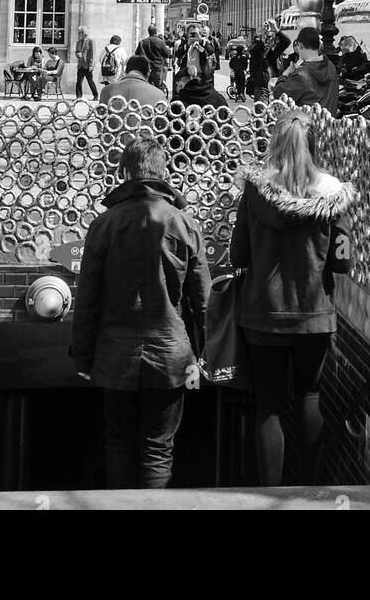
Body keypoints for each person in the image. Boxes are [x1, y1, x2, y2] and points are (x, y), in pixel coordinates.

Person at [71, 136, 211, 489]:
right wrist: (207, 355)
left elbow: (87, 298)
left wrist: (84, 357)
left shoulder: (104, 224)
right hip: (171, 352)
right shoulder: (183, 223)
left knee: (118, 441)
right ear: (162, 172)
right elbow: (203, 299)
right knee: (159, 447)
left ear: (126, 171)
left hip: (114, 351)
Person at [230, 108, 354, 486]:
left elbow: (238, 255)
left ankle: (272, 493)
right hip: (314, 314)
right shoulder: (334, 195)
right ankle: (311, 487)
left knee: (268, 403)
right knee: (308, 394)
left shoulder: (255, 190)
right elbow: (343, 261)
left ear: (274, 143)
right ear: (314, 145)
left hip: (263, 314)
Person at [274, 26, 341, 119]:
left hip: (307, 128)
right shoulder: (331, 67)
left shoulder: (302, 74)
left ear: (300, 45)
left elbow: (278, 93)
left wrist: (287, 72)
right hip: (328, 127)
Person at [100, 55, 164, 107]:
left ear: (126, 71)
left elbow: (100, 118)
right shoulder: (158, 94)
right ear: (148, 73)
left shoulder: (106, 90)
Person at [135, 24, 172, 91]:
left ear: (148, 31)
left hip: (145, 68)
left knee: (145, 88)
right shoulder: (160, 42)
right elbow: (166, 54)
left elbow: (137, 54)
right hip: (157, 68)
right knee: (157, 88)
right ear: (156, 31)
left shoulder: (142, 42)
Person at [75, 27, 98, 99]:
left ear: (85, 33)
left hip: (87, 65)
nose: (79, 34)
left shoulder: (91, 41)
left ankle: (95, 95)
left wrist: (91, 65)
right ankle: (78, 96)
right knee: (78, 82)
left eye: (80, 32)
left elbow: (93, 54)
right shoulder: (78, 42)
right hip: (80, 65)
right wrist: (77, 54)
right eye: (79, 33)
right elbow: (76, 52)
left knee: (90, 81)